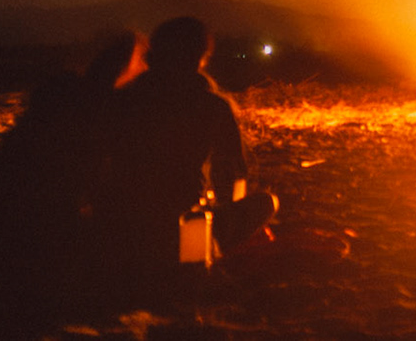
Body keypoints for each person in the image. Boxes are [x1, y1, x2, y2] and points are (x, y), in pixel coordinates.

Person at [0, 30, 146, 296]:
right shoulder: (102, 108)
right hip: (43, 218)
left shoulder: (61, 95)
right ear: (129, 68)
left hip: (2, 214)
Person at [94, 15, 278, 276]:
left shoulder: (123, 100)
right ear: (202, 58)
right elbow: (236, 172)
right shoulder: (212, 105)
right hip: (178, 229)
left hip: (116, 228)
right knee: (267, 203)